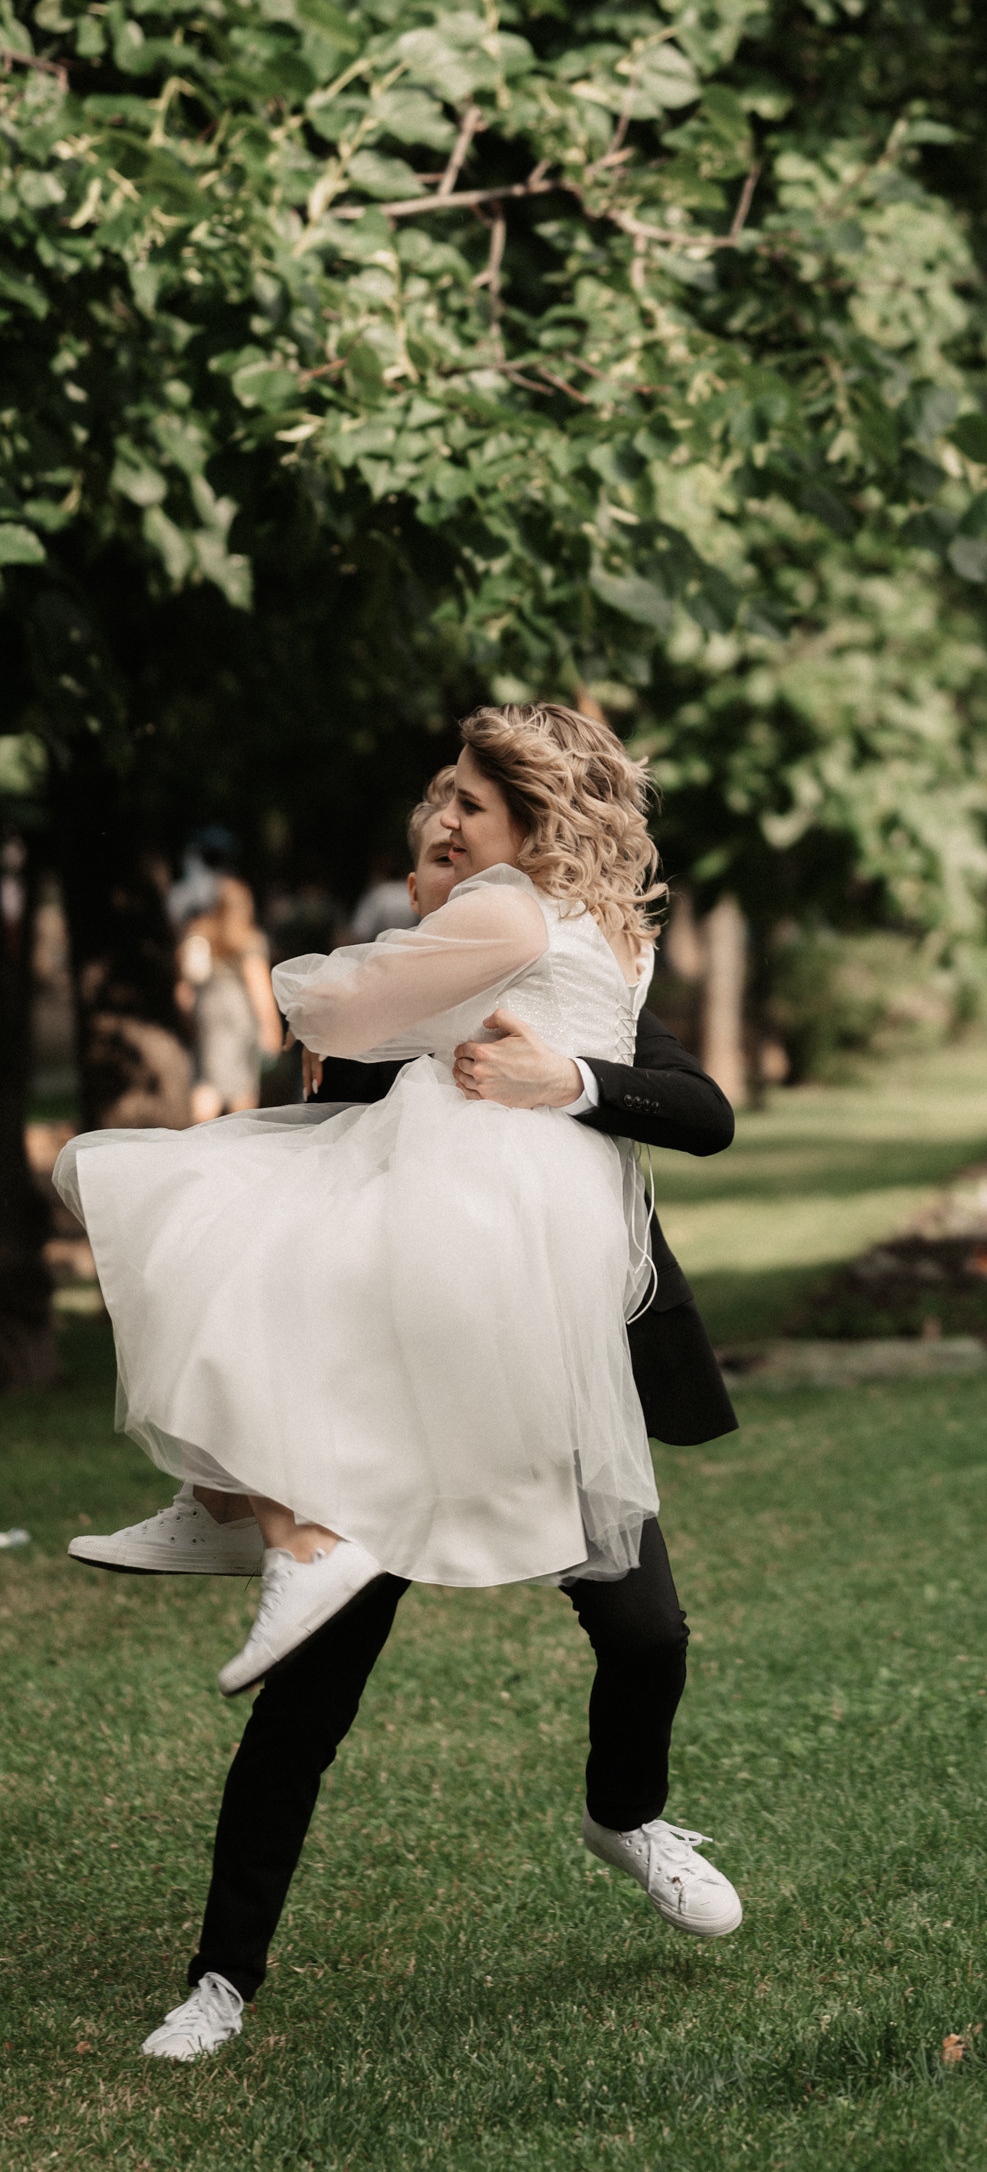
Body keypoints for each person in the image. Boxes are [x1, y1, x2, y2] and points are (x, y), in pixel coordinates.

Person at [68, 744, 746, 2059]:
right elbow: (337, 1130)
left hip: (540, 1368)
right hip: (391, 1376)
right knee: (309, 1690)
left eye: (469, 804)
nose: (440, 817)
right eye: (437, 802)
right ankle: (221, 1979)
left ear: (535, 823)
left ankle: (631, 1818)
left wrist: (575, 1086)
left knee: (649, 1634)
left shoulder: (583, 962)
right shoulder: (442, 952)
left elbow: (703, 1113)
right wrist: (392, 997)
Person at [179, 875, 281, 1119]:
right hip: (238, 1013)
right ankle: (235, 1141)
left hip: (207, 1008)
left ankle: (197, 1140)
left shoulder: (199, 933)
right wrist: (271, 1026)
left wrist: (192, 1018)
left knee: (208, 1078)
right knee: (240, 1084)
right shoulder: (248, 939)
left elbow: (183, 990)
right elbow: (259, 987)